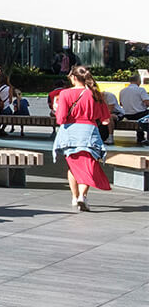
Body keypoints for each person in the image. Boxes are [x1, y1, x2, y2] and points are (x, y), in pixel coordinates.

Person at [53, 66, 113, 212]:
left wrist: (56, 108)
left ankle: (75, 197)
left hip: (69, 133)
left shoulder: (65, 94)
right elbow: (105, 120)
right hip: (88, 133)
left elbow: (60, 119)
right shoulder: (94, 94)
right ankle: (83, 196)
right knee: (88, 165)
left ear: (73, 77)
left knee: (73, 166)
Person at [115, 74, 148, 144]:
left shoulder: (122, 91)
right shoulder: (141, 90)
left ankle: (140, 137)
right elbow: (147, 102)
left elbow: (121, 104)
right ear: (138, 81)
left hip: (127, 114)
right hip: (139, 114)